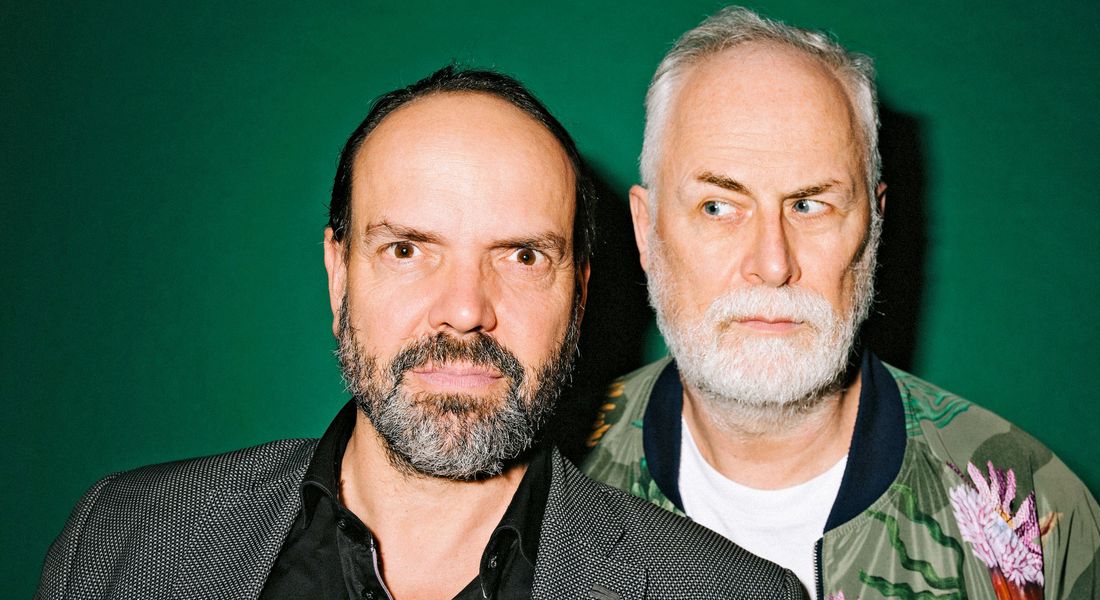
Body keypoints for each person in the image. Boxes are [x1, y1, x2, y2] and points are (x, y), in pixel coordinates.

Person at [36, 66, 803, 600]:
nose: (465, 309)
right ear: (339, 274)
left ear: (579, 296)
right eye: (407, 250)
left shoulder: (733, 594)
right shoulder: (122, 540)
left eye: (523, 256)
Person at [580, 7, 1100, 600]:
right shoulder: (551, 477)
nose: (773, 264)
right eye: (718, 207)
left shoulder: (1031, 510)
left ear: (874, 225)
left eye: (809, 205)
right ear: (646, 231)